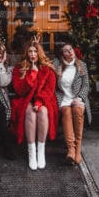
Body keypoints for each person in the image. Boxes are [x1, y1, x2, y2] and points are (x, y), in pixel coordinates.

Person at [10, 37, 59, 170]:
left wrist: (39, 101)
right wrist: (31, 74)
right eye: (30, 51)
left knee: (43, 112)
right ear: (27, 53)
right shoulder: (19, 68)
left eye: (35, 51)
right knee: (30, 113)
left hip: (43, 99)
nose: (32, 54)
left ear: (39, 53)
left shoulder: (47, 69)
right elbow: (19, 90)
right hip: (24, 99)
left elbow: (49, 89)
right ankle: (31, 152)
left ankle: (41, 151)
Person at [53, 43, 92, 165]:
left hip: (78, 98)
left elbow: (86, 85)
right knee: (66, 112)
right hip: (64, 98)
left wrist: (80, 97)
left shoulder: (82, 65)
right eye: (66, 51)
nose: (70, 52)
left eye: (70, 49)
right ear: (62, 54)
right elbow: (45, 61)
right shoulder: (57, 65)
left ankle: (78, 149)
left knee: (77, 110)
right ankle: (71, 149)